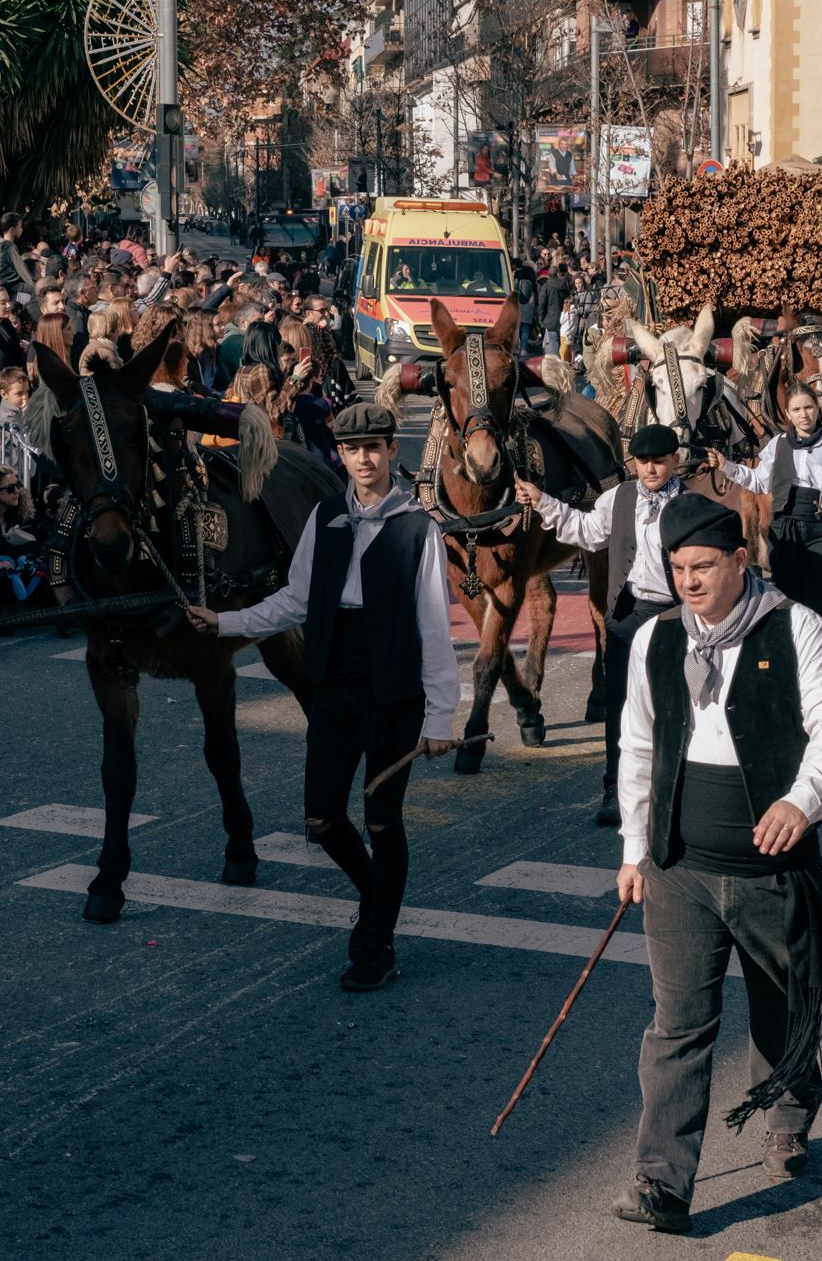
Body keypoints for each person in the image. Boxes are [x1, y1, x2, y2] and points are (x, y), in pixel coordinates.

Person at [608, 492, 822, 1237]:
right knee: (678, 1025)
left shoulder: (793, 625)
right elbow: (638, 748)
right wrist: (634, 849)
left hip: (769, 864)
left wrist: (801, 801)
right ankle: (662, 1180)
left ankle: (786, 1111)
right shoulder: (655, 638)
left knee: (782, 1004)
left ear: (739, 561)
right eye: (678, 567)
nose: (689, 581)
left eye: (704, 566)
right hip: (679, 867)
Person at [186, 402, 458, 992]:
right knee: (322, 816)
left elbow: (435, 628)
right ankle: (379, 899)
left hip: (394, 690)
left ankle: (375, 943)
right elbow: (295, 599)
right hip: (334, 681)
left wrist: (441, 715)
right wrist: (225, 623)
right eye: (353, 449)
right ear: (341, 454)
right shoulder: (326, 516)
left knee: (382, 822)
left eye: (375, 448)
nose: (364, 458)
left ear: (392, 452)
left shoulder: (419, 528)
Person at [512, 423, 687, 824]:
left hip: (676, 617)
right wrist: (542, 501)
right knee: (620, 705)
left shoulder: (692, 505)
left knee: (675, 705)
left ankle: (672, 789)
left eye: (659, 461)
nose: (650, 469)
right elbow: (586, 532)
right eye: (643, 462)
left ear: (674, 461)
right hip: (628, 614)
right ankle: (615, 788)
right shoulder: (618, 498)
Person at [704, 385, 822, 625]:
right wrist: (728, 466)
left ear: (817, 409)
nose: (804, 414)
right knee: (788, 600)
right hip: (784, 527)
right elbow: (758, 481)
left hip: (820, 528)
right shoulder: (778, 445)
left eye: (808, 407)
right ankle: (790, 653)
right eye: (796, 409)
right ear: (788, 414)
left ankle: (817, 655)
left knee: (818, 601)